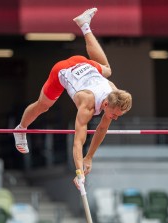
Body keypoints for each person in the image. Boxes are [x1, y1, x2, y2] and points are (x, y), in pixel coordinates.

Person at [13, 8, 132, 187]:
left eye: (117, 116)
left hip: (84, 64)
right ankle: (20, 129)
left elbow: (101, 130)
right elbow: (78, 142)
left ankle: (84, 25)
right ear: (106, 103)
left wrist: (89, 158)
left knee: (107, 69)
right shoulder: (87, 104)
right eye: (114, 114)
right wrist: (79, 172)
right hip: (63, 71)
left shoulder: (114, 92)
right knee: (43, 106)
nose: (114, 118)